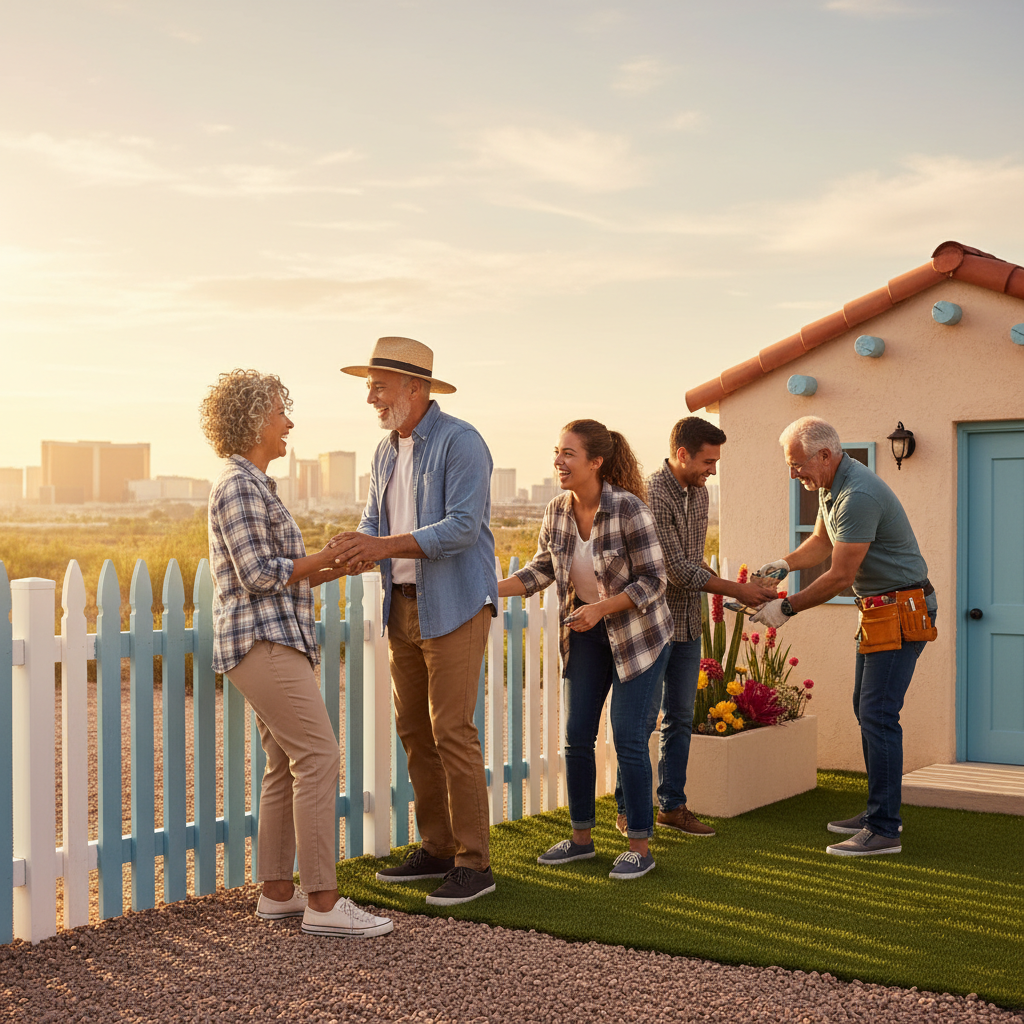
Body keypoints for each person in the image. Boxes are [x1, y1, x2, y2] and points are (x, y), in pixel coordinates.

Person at [201, 368, 393, 937]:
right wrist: (324, 556)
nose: (289, 423)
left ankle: (278, 893)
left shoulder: (257, 486)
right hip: (262, 643)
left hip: (275, 638)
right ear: (255, 419)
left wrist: (338, 564)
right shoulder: (236, 486)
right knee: (319, 756)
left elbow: (284, 578)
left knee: (285, 763)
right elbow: (260, 575)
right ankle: (324, 904)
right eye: (281, 412)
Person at [330, 337, 498, 906]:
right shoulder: (385, 451)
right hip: (399, 604)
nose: (371, 397)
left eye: (378, 385)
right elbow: (373, 525)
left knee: (452, 731)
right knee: (415, 732)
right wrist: (341, 555)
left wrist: (377, 544)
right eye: (369, 386)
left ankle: (476, 864)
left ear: (416, 388)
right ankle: (438, 848)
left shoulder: (462, 442)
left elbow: (461, 529)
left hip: (453, 604)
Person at [751, 415, 937, 857]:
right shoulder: (833, 486)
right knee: (867, 708)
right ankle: (878, 811)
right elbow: (821, 543)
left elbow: (839, 575)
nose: (793, 473)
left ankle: (884, 828)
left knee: (878, 712)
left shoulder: (858, 494)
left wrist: (786, 607)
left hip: (901, 610)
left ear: (825, 455)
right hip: (878, 610)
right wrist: (783, 565)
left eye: (797, 464)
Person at [497, 419, 673, 880]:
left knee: (628, 739)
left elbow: (655, 581)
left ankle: (639, 845)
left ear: (596, 461)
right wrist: (490, 589)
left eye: (568, 453)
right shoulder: (557, 510)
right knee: (577, 737)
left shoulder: (630, 509)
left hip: (638, 637)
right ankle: (580, 840)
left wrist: (601, 609)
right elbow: (540, 570)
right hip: (585, 634)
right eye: (557, 452)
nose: (558, 461)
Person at [619, 416, 777, 838]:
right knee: (642, 720)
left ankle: (673, 806)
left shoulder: (700, 494)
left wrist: (736, 587)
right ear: (682, 453)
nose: (713, 469)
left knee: (681, 717)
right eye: (708, 461)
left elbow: (693, 558)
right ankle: (626, 807)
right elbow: (671, 568)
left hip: (688, 622)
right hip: (652, 623)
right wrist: (735, 590)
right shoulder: (652, 494)